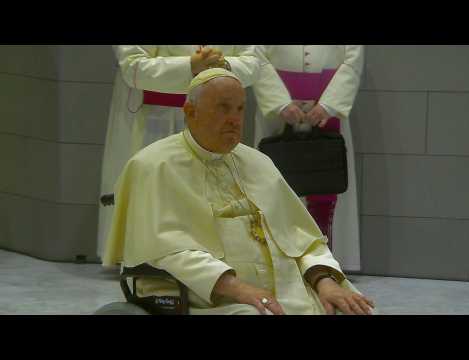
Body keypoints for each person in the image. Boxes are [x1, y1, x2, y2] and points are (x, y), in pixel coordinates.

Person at [103, 68, 375, 315]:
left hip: (290, 291)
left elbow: (304, 239)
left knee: (354, 310)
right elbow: (168, 249)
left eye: (240, 109)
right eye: (223, 108)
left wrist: (324, 282)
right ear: (190, 111)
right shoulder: (153, 165)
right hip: (205, 297)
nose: (234, 119)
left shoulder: (258, 162)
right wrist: (239, 289)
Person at [97, 45, 259, 258]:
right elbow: (132, 66)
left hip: (213, 118)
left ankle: (206, 253)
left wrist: (222, 68)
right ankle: (146, 255)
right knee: (154, 194)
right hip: (153, 118)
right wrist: (191, 66)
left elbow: (253, 62)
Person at [252, 45, 364, 272]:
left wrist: (328, 105)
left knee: (325, 183)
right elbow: (255, 56)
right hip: (276, 116)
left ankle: (325, 263)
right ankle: (279, 263)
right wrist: (280, 102)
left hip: (327, 115)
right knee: (273, 188)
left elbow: (352, 61)